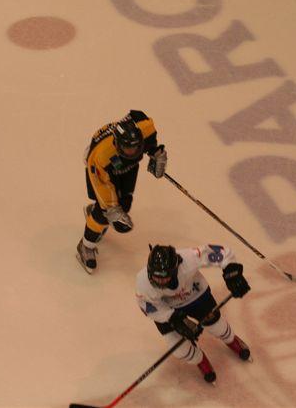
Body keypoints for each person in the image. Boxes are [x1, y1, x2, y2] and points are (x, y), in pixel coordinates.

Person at [135, 244, 251, 383]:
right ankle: (200, 360)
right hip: (167, 309)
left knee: (217, 327)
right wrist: (172, 318)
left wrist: (232, 272)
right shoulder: (142, 282)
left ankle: (231, 339)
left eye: (164, 277)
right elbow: (148, 307)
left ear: (175, 269)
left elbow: (221, 252)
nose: (159, 281)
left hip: (195, 296)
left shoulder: (188, 258)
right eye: (155, 276)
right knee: (180, 350)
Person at [76, 110, 167, 274]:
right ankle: (85, 245)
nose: (133, 152)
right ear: (117, 145)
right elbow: (102, 185)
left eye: (136, 147)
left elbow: (141, 121)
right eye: (128, 149)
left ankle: (95, 212)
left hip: (127, 168)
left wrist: (155, 153)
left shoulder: (146, 130)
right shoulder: (101, 158)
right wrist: (110, 208)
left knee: (125, 204)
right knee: (105, 213)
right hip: (102, 173)